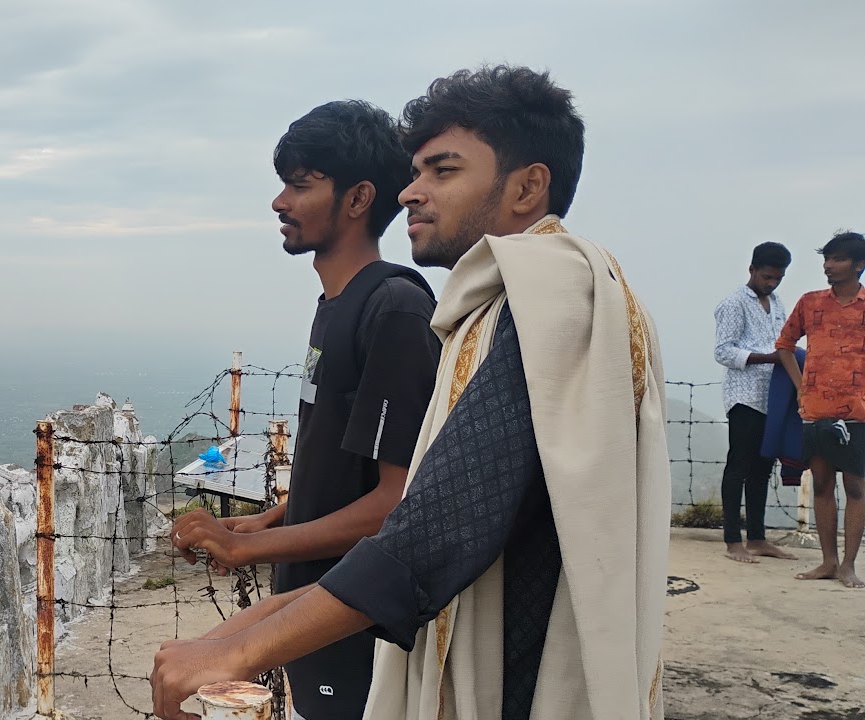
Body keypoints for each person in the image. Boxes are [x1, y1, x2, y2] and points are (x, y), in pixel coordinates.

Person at [151, 65, 671, 720]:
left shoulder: (552, 298)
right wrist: (242, 628)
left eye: (442, 171)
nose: (410, 193)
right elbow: (430, 512)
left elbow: (430, 532)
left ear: (528, 186)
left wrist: (241, 648)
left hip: (522, 675)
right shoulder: (500, 307)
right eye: (416, 172)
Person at [168, 100, 441, 719]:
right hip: (311, 605)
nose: (280, 202)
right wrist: (272, 521)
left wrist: (245, 551)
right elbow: (357, 468)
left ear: (357, 198)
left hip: (351, 614)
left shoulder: (393, 309)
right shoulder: (339, 305)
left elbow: (399, 501)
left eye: (300, 184)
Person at [775, 231, 865, 589]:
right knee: (823, 483)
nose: (829, 265)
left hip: (857, 412)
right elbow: (784, 345)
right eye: (826, 258)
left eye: (838, 259)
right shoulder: (810, 303)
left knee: (856, 486)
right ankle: (828, 562)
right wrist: (801, 387)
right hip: (814, 409)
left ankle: (849, 565)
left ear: (858, 265)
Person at [714, 242, 798, 563]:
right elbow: (723, 351)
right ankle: (733, 541)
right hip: (744, 396)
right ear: (751, 269)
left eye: (778, 278)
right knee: (739, 464)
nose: (772, 283)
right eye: (767, 277)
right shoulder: (734, 303)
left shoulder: (777, 304)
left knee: (763, 467)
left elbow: (787, 344)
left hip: (773, 397)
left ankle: (758, 538)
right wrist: (769, 358)